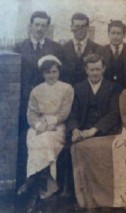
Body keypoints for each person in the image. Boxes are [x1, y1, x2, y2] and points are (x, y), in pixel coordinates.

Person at [17, 55, 74, 212]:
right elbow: (31, 114)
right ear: (43, 73)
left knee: (47, 141)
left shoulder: (67, 89)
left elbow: (64, 113)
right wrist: (37, 125)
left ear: (59, 72)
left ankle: (31, 185)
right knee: (38, 142)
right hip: (39, 127)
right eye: (48, 72)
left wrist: (49, 124)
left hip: (57, 127)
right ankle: (37, 186)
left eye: (54, 71)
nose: (51, 75)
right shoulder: (36, 90)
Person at [14, 10, 63, 190]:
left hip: (48, 106)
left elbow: (57, 77)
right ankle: (24, 182)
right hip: (25, 104)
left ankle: (43, 184)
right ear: (31, 26)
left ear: (47, 27)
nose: (40, 28)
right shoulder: (20, 47)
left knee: (45, 141)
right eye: (37, 24)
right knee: (25, 142)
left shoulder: (55, 48)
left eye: (44, 25)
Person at [67, 54, 121, 143]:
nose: (95, 73)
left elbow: (113, 114)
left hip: (105, 131)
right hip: (82, 130)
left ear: (103, 69)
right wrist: (74, 130)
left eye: (98, 69)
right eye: (92, 70)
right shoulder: (78, 88)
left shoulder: (113, 88)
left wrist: (94, 130)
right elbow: (73, 113)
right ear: (86, 70)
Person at [62, 13, 102, 85]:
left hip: (88, 91)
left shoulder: (97, 48)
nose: (80, 30)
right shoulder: (63, 48)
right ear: (71, 27)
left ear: (88, 28)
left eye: (83, 26)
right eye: (77, 26)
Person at [101, 20, 126, 89]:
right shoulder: (101, 51)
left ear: (124, 35)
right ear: (108, 34)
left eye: (118, 33)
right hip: (107, 91)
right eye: (113, 33)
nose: (115, 36)